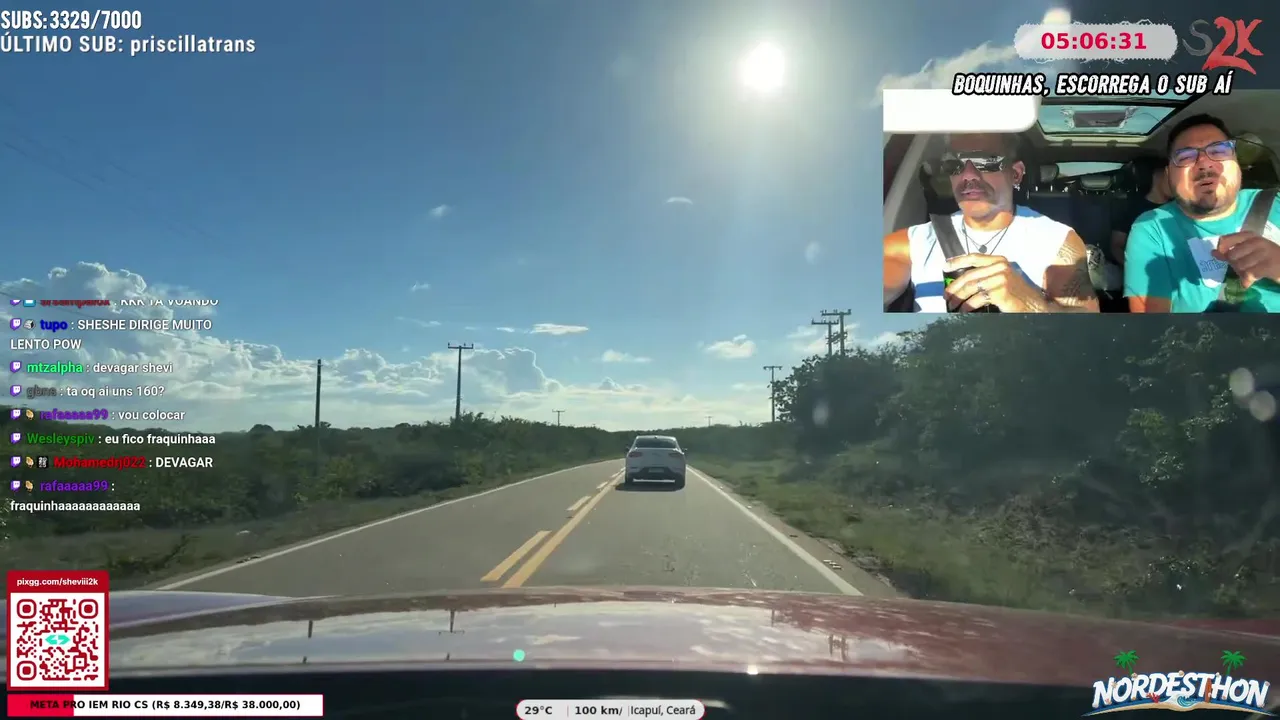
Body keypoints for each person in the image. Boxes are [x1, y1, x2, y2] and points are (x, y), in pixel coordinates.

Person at [883, 132, 1099, 313]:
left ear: (1015, 174)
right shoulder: (911, 243)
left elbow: (1088, 327)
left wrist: (1030, 304)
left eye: (985, 162)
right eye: (954, 164)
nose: (968, 175)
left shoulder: (1056, 240)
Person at [1124, 113, 1280, 313]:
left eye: (1219, 151)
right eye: (1185, 157)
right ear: (1169, 174)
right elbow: (1150, 326)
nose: (1205, 163)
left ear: (1237, 162)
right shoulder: (1152, 228)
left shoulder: (1276, 201)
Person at [1111, 156, 1172, 268]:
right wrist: (1136, 268)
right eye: (1171, 175)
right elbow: (1117, 245)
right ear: (1157, 175)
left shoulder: (1182, 208)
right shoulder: (1131, 208)